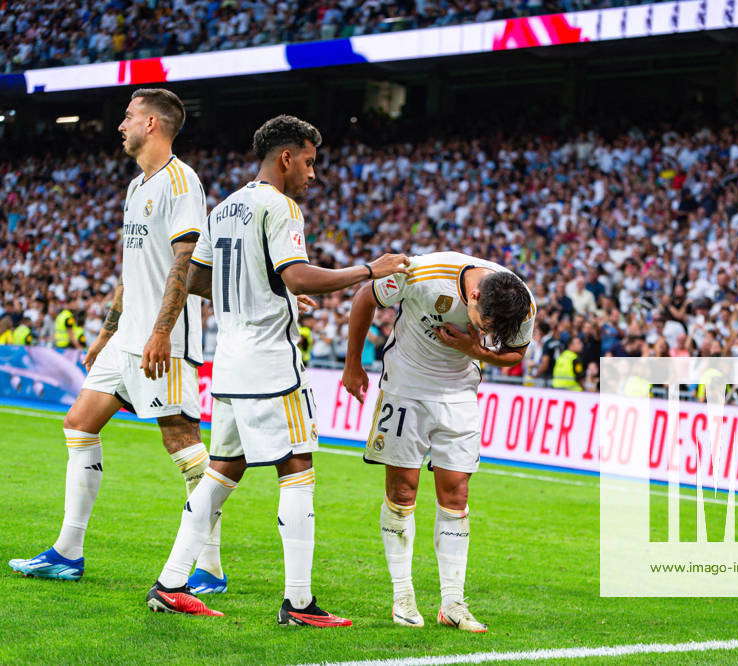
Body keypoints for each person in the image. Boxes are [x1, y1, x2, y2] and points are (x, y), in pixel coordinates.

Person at [146, 114, 410, 625]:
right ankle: (300, 602)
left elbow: (199, 279)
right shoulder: (280, 205)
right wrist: (367, 270)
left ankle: (170, 583)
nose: (313, 174)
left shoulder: (224, 208)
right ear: (285, 158)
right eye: (309, 162)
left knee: (222, 472)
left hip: (230, 365)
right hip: (271, 364)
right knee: (298, 471)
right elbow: (299, 274)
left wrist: (267, 289)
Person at [9, 89, 229, 593]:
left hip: (162, 342)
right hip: (125, 339)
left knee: (184, 446)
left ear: (152, 124)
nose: (120, 125)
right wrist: (106, 332)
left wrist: (159, 331)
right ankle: (68, 552)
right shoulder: (137, 187)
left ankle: (211, 566)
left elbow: (183, 263)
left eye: (128, 117)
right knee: (79, 424)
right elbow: (134, 269)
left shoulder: (181, 182)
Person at [342, 251, 536, 632]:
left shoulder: (520, 302)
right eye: (485, 326)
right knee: (403, 491)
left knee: (456, 495)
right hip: (405, 388)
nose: (490, 334)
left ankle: (452, 603)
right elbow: (365, 296)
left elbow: (514, 354)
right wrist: (353, 364)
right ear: (475, 297)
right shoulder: (423, 273)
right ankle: (403, 594)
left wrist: (475, 350)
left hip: (460, 396)